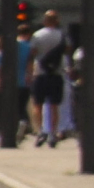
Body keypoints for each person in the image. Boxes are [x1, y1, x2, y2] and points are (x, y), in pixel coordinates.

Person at [30, 10, 69, 145]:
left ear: (44, 21)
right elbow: (68, 50)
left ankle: (40, 132)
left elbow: (33, 53)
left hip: (40, 73)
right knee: (54, 105)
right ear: (57, 20)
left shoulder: (37, 35)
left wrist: (29, 72)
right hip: (56, 73)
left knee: (37, 104)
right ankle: (53, 133)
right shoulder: (62, 35)